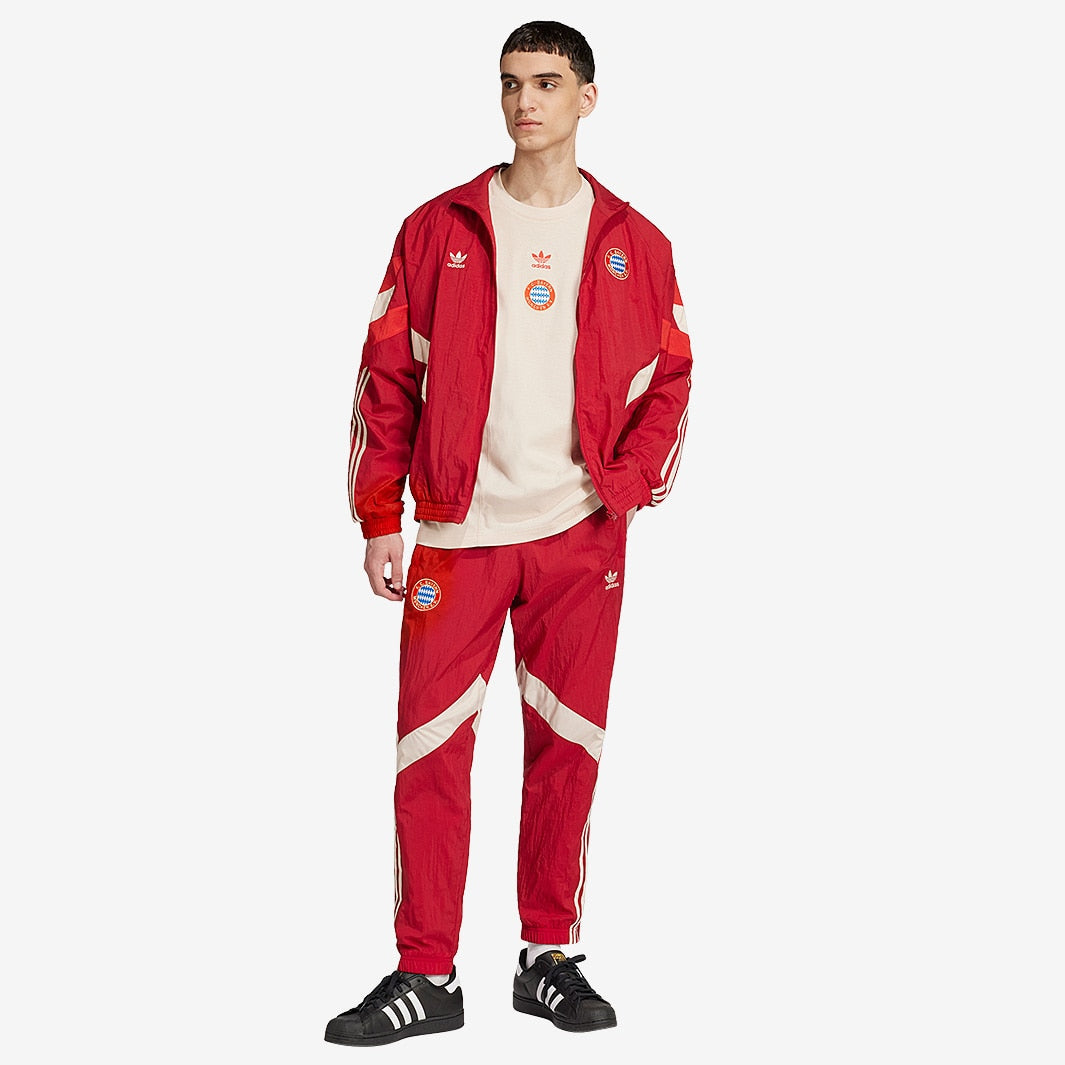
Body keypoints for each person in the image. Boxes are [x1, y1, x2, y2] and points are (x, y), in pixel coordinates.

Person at [325, 20, 692, 1046]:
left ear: (587, 98)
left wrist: (625, 489)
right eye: (510, 83)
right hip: (456, 531)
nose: (525, 101)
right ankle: (426, 974)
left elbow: (671, 377)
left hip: (580, 536)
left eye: (546, 82)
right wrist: (380, 514)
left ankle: (548, 957)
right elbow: (386, 374)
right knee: (430, 754)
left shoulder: (635, 241)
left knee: (567, 749)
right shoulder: (438, 226)